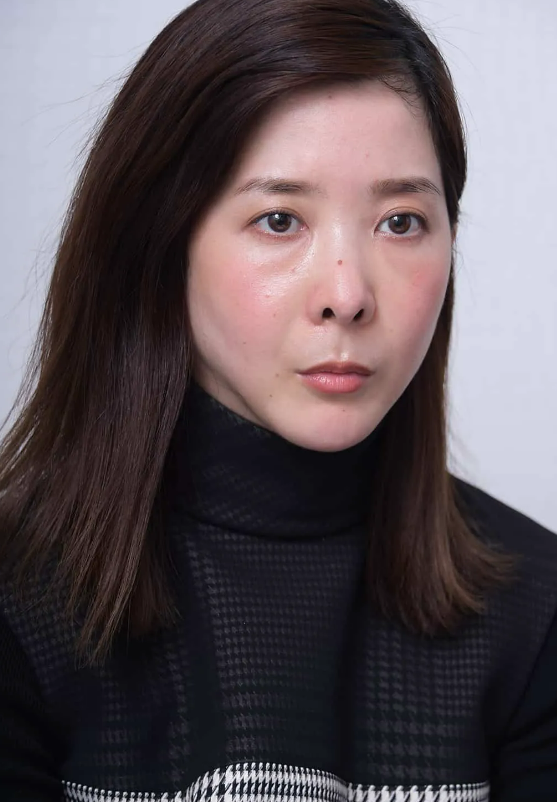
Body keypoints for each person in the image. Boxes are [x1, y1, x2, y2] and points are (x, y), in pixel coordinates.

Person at [0, 0, 556, 799]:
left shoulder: (535, 611)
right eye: (279, 219)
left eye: (401, 222)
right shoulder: (19, 601)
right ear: (158, 245)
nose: (347, 295)